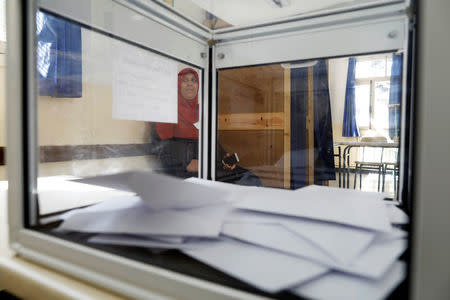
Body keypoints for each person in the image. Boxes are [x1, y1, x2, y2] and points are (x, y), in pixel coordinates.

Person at [152, 67, 261, 186]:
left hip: (208, 167)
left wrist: (224, 157)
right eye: (185, 80)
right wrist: (191, 163)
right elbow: (164, 150)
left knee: (250, 178)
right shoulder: (169, 112)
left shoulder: (202, 111)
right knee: (248, 180)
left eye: (194, 80)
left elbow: (210, 141)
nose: (190, 84)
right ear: (178, 84)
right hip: (184, 173)